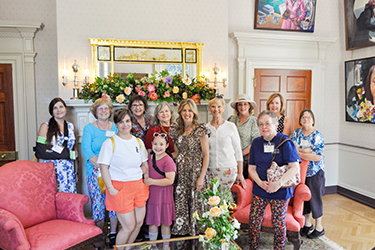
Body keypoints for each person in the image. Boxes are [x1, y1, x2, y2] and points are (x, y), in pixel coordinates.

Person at [248, 110, 300, 249]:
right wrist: (260, 183)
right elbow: (251, 168)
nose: (264, 127)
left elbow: (294, 167)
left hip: (280, 190)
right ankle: (252, 247)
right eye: (260, 124)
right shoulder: (256, 143)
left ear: (276, 125)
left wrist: (278, 183)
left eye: (267, 123)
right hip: (260, 188)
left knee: (278, 223)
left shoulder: (285, 142)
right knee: (253, 221)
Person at [97, 108, 149, 245]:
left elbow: (145, 162)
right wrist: (111, 188)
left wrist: (146, 175)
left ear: (131, 122)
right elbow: (103, 167)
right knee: (128, 226)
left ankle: (128, 248)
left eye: (127, 121)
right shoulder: (110, 143)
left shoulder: (138, 142)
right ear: (116, 124)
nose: (125, 125)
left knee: (138, 223)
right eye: (121, 122)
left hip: (138, 186)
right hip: (120, 188)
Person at [169, 99, 210, 236]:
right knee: (182, 201)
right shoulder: (176, 130)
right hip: (181, 172)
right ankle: (184, 232)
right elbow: (176, 152)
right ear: (180, 111)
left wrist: (201, 177)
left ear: (194, 112)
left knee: (197, 202)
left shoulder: (200, 129)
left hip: (196, 172)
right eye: (184, 110)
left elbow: (206, 155)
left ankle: (198, 232)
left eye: (190, 110)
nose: (187, 113)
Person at [81, 97, 118, 247]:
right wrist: (102, 167)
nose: (103, 111)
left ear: (110, 111)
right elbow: (87, 150)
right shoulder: (89, 128)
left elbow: (118, 147)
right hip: (95, 172)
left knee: (114, 204)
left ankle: (114, 234)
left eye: (106, 108)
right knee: (98, 204)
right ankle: (99, 236)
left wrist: (109, 167)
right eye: (100, 108)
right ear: (95, 111)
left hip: (114, 172)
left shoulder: (115, 127)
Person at [291, 109, 325, 239]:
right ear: (300, 120)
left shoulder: (317, 135)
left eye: (309, 117)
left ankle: (319, 227)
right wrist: (305, 152)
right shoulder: (296, 132)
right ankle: (307, 224)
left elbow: (317, 157)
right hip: (299, 172)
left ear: (313, 121)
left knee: (315, 199)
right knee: (302, 198)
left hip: (314, 172)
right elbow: (291, 148)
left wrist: (299, 153)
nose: (306, 119)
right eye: (303, 117)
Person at [37, 97, 77, 193]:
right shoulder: (45, 126)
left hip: (68, 168)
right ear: (51, 111)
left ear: (66, 109)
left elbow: (73, 149)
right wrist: (67, 155)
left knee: (68, 199)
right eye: (55, 108)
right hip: (52, 168)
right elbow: (40, 151)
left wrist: (76, 170)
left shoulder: (71, 127)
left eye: (61, 107)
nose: (59, 110)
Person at [207, 96, 245, 193]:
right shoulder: (205, 128)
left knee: (225, 201)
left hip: (228, 169)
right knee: (212, 200)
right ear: (209, 108)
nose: (216, 109)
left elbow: (238, 150)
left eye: (219, 106)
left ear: (223, 108)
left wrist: (240, 173)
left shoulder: (231, 126)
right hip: (210, 170)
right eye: (213, 106)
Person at [144, 132, 176, 244]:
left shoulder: (168, 160)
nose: (158, 147)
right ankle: (153, 245)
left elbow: (170, 180)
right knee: (152, 221)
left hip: (165, 196)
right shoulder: (149, 158)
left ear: (167, 145)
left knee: (165, 222)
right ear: (151, 144)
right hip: (153, 196)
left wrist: (152, 181)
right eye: (155, 144)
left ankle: (166, 245)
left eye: (161, 144)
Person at [228, 94, 260, 179]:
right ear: (237, 107)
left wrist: (239, 155)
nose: (242, 107)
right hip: (231, 158)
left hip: (246, 160)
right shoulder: (231, 119)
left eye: (245, 104)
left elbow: (255, 143)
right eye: (240, 104)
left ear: (249, 105)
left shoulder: (254, 121)